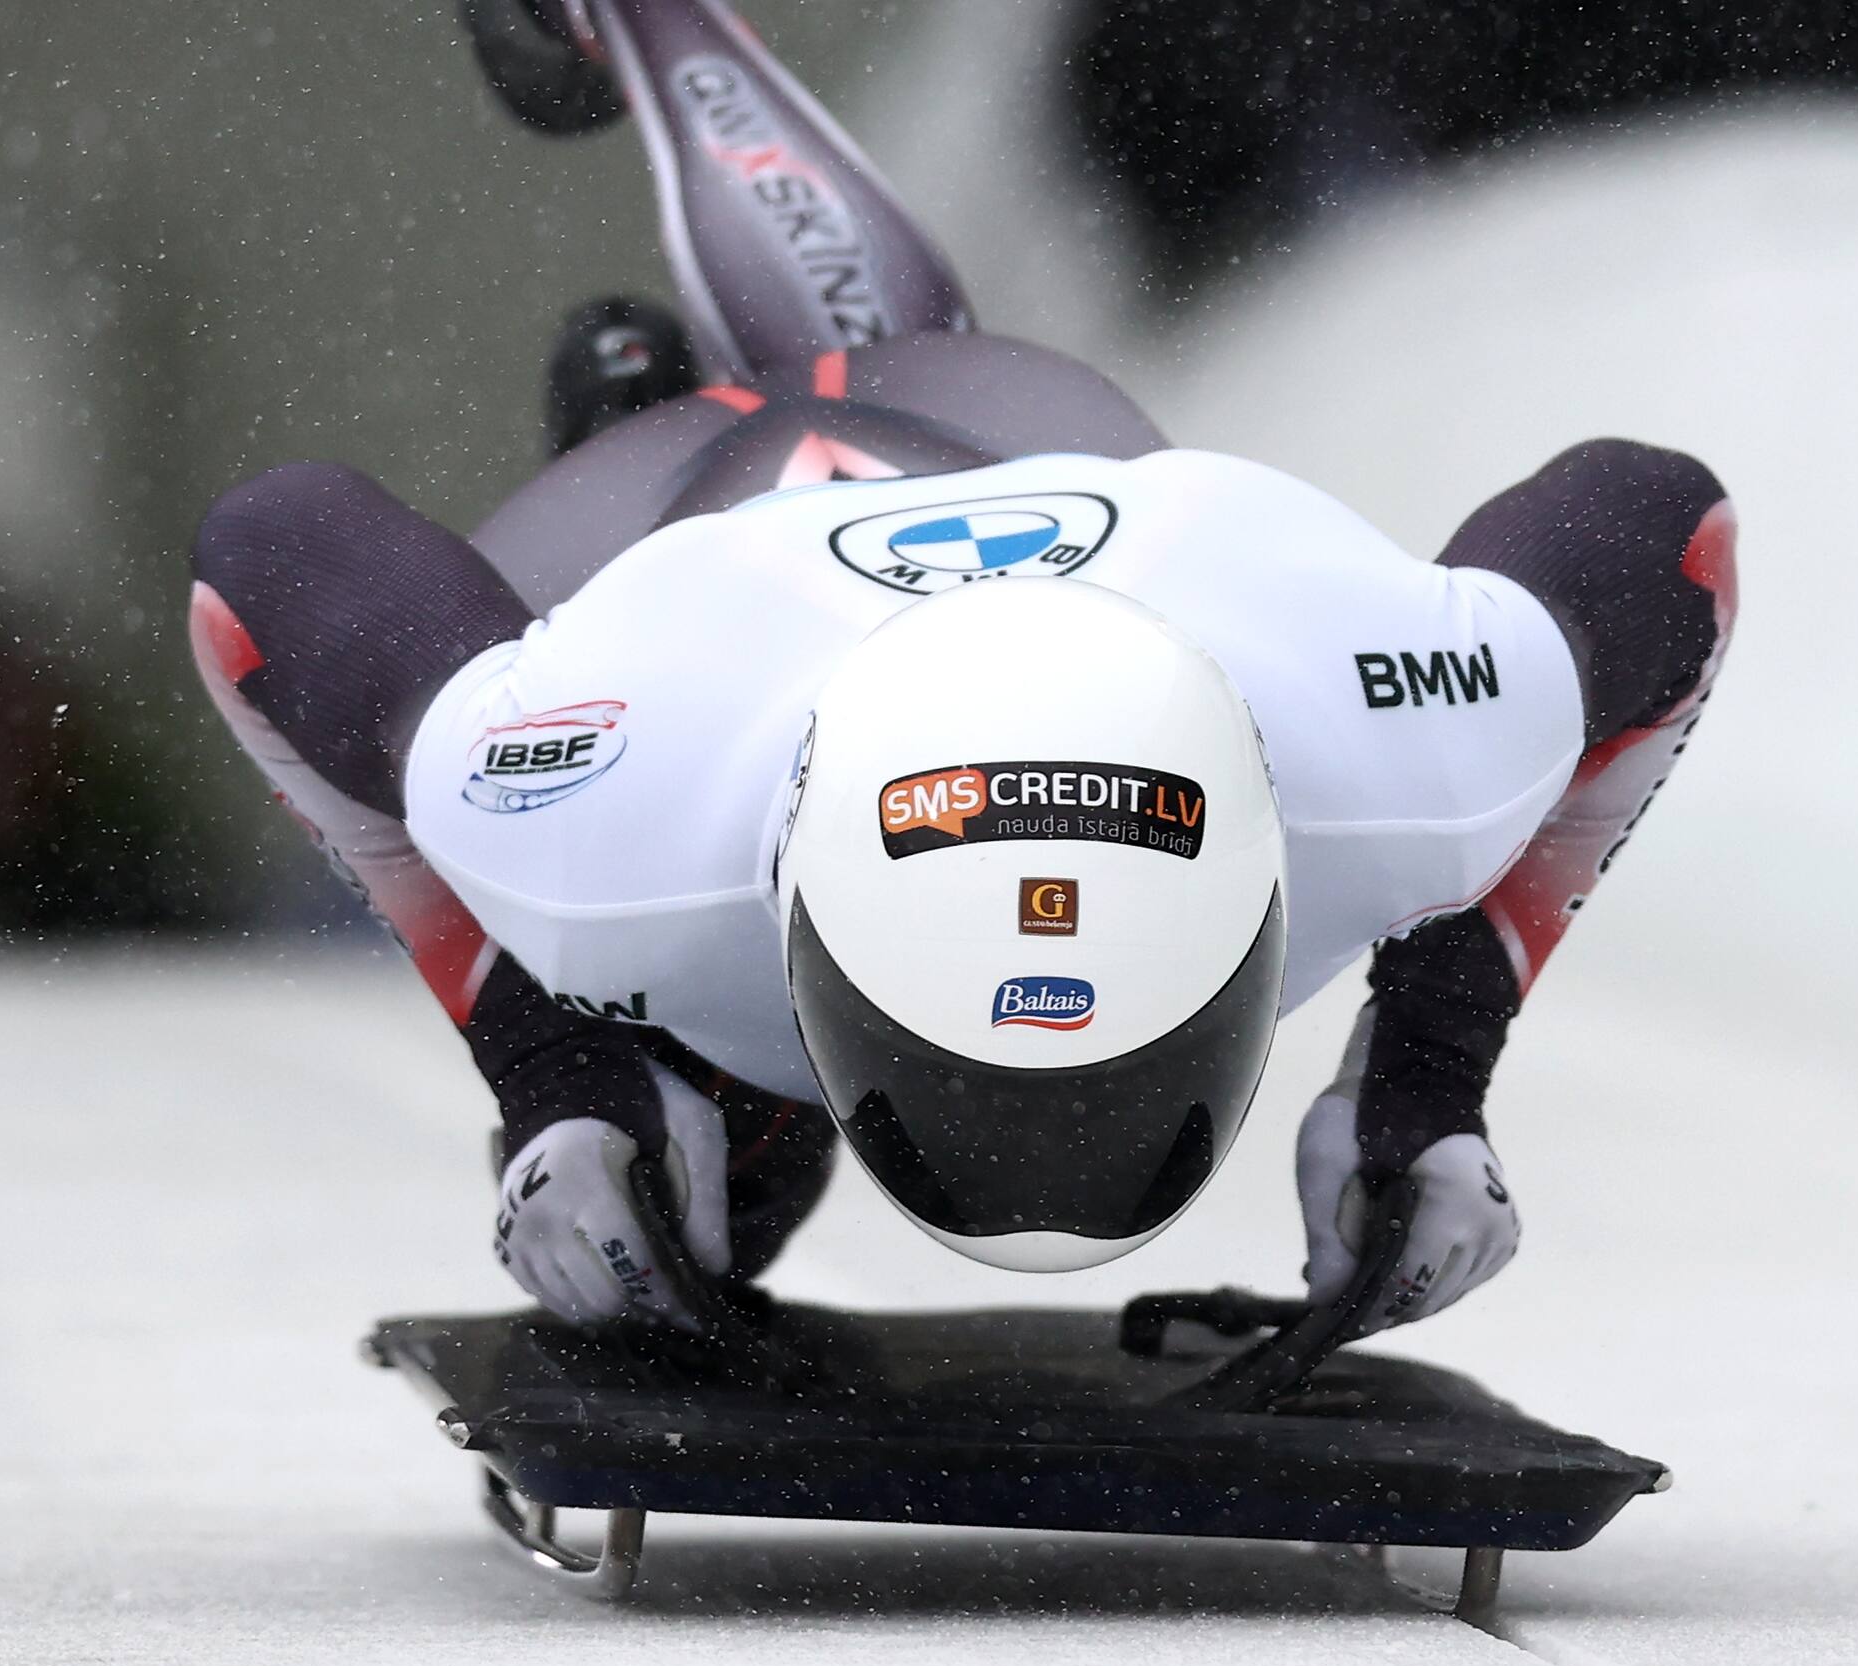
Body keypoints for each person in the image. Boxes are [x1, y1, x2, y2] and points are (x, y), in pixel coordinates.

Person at [186, 0, 1736, 1333]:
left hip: (985, 448)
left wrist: (1427, 1081)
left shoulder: (1386, 729)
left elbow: (266, 561)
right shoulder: (600, 800)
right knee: (706, 1193)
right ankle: (633, 407)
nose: (1047, 1151)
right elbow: (1672, 535)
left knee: (676, 1167)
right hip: (677, 556)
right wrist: (557, 1068)